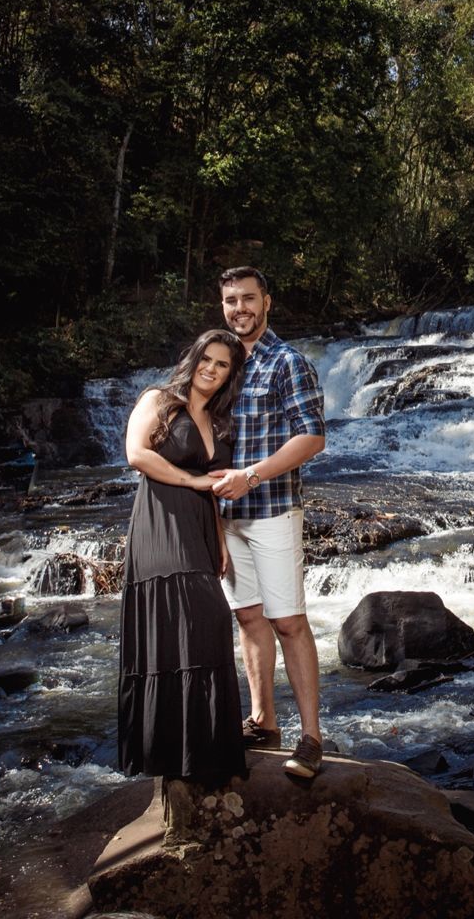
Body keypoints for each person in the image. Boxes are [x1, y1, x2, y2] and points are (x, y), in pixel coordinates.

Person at [209, 266, 328, 780]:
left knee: (288, 621)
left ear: (267, 303)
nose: (240, 308)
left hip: (273, 510)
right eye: (231, 300)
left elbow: (312, 436)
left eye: (248, 299)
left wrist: (251, 476)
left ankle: (311, 738)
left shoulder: (287, 362)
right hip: (227, 517)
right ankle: (263, 722)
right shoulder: (221, 365)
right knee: (249, 618)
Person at [116, 329, 248, 784]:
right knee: (193, 617)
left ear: (230, 374)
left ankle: (201, 752)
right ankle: (168, 751)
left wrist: (220, 539)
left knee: (206, 625)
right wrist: (191, 481)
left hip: (200, 526)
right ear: (193, 358)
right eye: (206, 359)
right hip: (160, 520)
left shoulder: (218, 420)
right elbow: (136, 454)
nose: (211, 369)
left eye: (222, 365)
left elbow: (213, 487)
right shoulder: (158, 399)